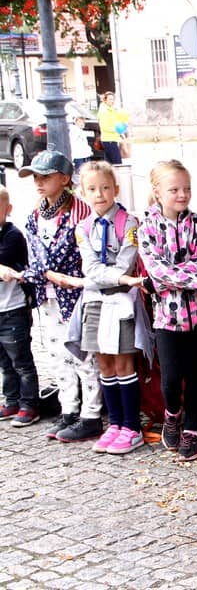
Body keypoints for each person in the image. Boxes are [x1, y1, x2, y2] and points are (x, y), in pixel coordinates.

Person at [17, 151, 99, 442]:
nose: (38, 182)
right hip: (48, 294)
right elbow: (35, 256)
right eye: (35, 177)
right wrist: (43, 273)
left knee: (83, 355)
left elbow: (75, 254)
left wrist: (44, 271)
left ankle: (91, 413)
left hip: (76, 293)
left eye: (45, 176)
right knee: (57, 354)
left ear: (64, 179)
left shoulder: (80, 213)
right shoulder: (35, 215)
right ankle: (69, 408)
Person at [74, 161, 148, 455]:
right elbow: (90, 269)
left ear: (115, 189)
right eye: (92, 189)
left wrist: (116, 277)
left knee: (123, 363)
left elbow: (126, 262)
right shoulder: (83, 228)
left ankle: (132, 426)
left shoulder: (128, 223)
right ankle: (114, 424)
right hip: (94, 301)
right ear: (82, 193)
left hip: (122, 302)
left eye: (105, 187)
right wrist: (114, 277)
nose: (99, 194)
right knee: (103, 363)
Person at [139, 160, 197, 462]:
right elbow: (156, 271)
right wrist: (191, 278)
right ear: (158, 192)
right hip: (166, 318)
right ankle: (172, 414)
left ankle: (191, 428)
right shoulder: (146, 227)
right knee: (170, 378)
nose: (182, 194)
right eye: (174, 189)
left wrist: (175, 277)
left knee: (194, 375)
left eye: (186, 188)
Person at [0, 187, 40, 427]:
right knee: (4, 362)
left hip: (13, 308)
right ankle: (12, 400)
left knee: (21, 360)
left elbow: (4, 261)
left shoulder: (12, 235)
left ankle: (29, 404)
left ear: (8, 209)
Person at [97, 92, 128, 165]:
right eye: (110, 99)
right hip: (109, 140)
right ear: (105, 100)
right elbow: (104, 127)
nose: (112, 101)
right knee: (117, 163)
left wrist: (121, 132)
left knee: (109, 164)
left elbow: (117, 121)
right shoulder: (104, 111)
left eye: (113, 99)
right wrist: (117, 130)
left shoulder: (111, 109)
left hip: (112, 139)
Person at [69, 116, 93, 183]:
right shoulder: (74, 131)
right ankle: (79, 183)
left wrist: (88, 151)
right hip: (78, 155)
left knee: (86, 170)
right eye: (80, 122)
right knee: (79, 171)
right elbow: (74, 143)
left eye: (83, 122)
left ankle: (84, 182)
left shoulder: (81, 132)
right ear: (76, 122)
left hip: (84, 154)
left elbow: (84, 144)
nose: (82, 124)